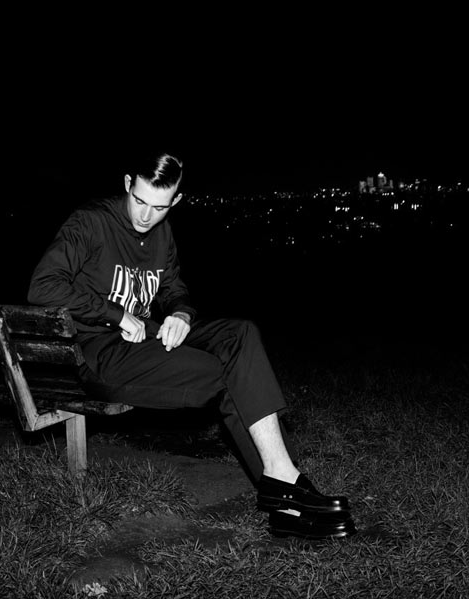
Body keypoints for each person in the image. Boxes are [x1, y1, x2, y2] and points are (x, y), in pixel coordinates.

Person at [27, 151, 356, 539]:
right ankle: (286, 498)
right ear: (128, 183)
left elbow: (173, 289)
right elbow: (42, 287)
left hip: (148, 336)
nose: (145, 216)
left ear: (176, 200)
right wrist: (116, 315)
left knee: (240, 334)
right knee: (228, 375)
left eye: (160, 207)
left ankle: (282, 482)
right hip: (102, 352)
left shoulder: (162, 233)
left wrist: (181, 314)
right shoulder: (91, 222)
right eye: (140, 201)